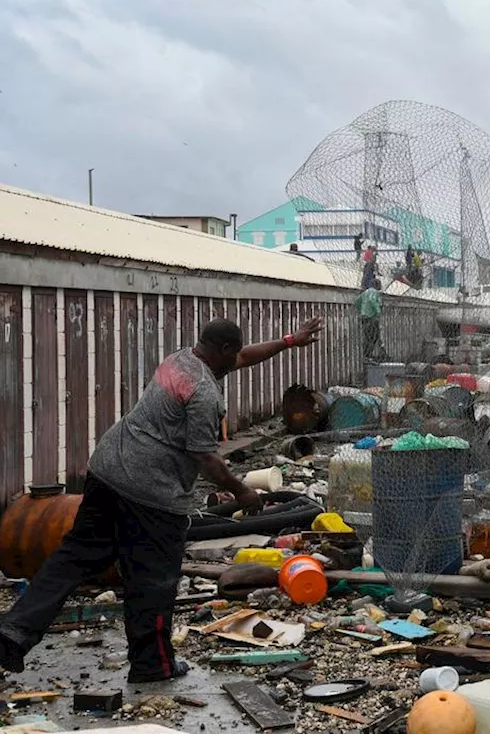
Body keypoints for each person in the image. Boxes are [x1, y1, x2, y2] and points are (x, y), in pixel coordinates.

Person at [0, 316, 323, 683]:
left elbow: (244, 356)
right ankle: (153, 665)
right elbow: (205, 457)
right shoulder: (203, 392)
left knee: (73, 557)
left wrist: (288, 341)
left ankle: (15, 631)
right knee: (152, 580)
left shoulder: (181, 360)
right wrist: (242, 491)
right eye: (234, 351)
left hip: (107, 471)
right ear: (223, 350)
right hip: (149, 494)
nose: (238, 358)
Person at [357, 280, 384, 360]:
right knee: (374, 336)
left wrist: (362, 311)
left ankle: (367, 355)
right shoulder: (375, 292)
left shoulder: (364, 293)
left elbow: (357, 302)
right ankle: (368, 355)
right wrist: (378, 311)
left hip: (364, 318)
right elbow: (373, 301)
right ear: (377, 285)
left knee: (368, 337)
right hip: (372, 318)